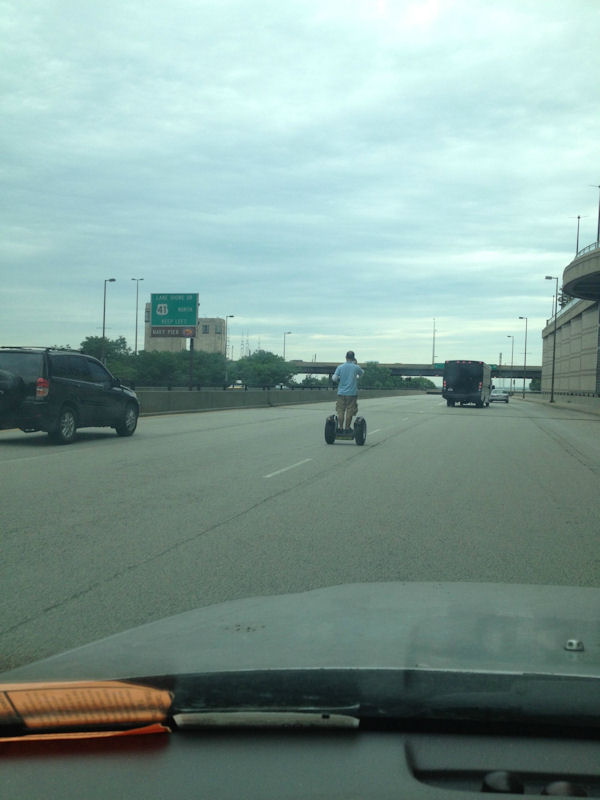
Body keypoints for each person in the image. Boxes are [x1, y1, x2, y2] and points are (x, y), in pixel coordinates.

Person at [332, 350, 364, 432]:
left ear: (346, 357)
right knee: (350, 411)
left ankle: (340, 428)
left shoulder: (340, 367)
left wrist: (339, 379)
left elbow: (334, 378)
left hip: (341, 393)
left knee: (340, 410)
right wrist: (356, 364)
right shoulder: (356, 367)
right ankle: (347, 428)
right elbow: (361, 374)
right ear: (353, 358)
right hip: (352, 393)